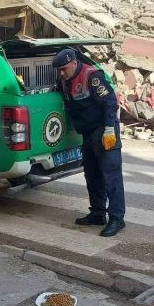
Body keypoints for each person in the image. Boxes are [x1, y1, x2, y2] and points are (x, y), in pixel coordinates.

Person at [53, 48, 126, 237]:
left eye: (64, 69)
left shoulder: (92, 76)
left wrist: (110, 129)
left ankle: (117, 218)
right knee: (92, 175)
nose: (61, 73)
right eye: (59, 70)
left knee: (111, 175)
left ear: (74, 63)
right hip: (87, 133)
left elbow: (110, 102)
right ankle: (97, 213)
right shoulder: (63, 80)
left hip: (104, 130)